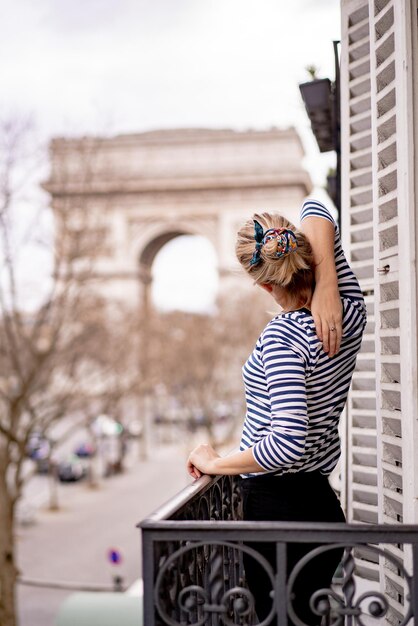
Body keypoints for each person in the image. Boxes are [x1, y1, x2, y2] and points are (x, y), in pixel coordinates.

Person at [187, 198, 367, 625]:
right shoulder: (351, 311)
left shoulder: (281, 338)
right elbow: (317, 208)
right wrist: (327, 288)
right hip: (318, 504)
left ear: (263, 285)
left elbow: (286, 442)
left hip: (278, 511)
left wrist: (218, 462)